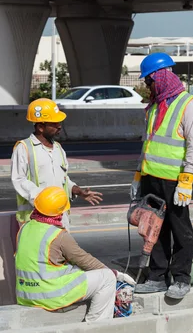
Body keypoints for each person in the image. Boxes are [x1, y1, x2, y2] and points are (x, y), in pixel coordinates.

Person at [130, 52, 193, 300]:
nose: (147, 86)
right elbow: (147, 144)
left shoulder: (189, 105)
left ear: (158, 77)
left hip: (174, 181)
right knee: (155, 230)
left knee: (180, 230)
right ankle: (157, 277)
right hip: (151, 179)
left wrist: (187, 179)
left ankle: (182, 278)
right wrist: (138, 176)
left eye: (148, 81)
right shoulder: (153, 107)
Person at [15, 186, 136, 321]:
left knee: (74, 270)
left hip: (25, 295)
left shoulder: (24, 228)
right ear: (60, 212)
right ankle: (97, 326)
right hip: (48, 295)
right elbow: (85, 260)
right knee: (107, 278)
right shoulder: (57, 235)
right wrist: (115, 274)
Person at [11, 98, 103, 230]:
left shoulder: (58, 149)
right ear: (41, 127)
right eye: (54, 124)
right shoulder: (24, 148)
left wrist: (77, 190)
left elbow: (63, 179)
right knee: (42, 250)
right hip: (36, 217)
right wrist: (43, 199)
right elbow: (19, 180)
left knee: (61, 250)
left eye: (59, 122)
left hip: (60, 216)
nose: (59, 126)